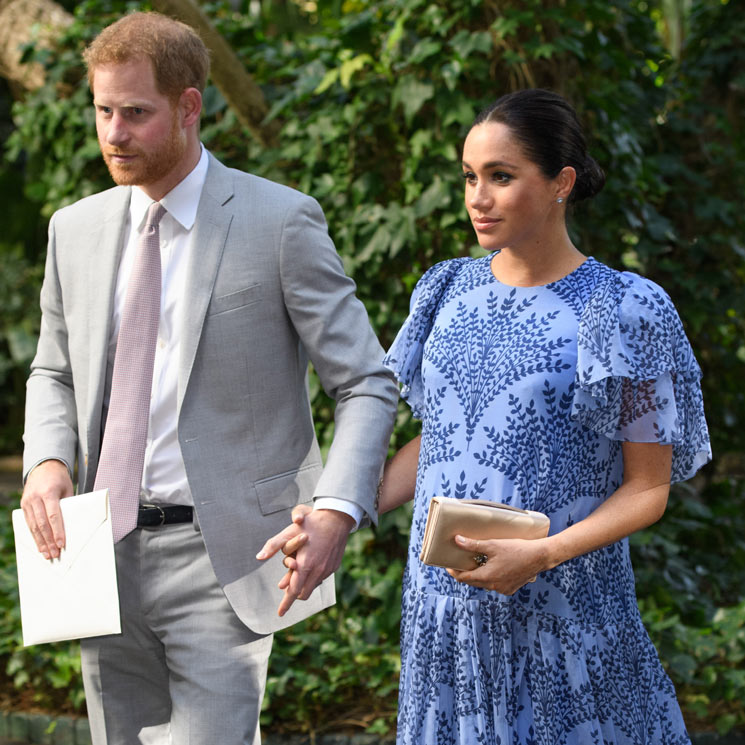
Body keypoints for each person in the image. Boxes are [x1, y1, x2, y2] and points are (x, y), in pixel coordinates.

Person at [263, 88, 711, 744]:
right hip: (445, 621)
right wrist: (341, 511)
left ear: (560, 183)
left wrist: (542, 553)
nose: (477, 196)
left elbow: (647, 488)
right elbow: (438, 441)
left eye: (500, 176)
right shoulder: (446, 290)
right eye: (469, 176)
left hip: (564, 617)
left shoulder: (625, 309)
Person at [20, 11, 397, 745]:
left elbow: (366, 382)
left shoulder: (279, 221)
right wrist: (48, 460)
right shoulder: (76, 227)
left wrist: (335, 508)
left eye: (135, 113)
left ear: (189, 107)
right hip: (100, 554)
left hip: (223, 559)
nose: (113, 133)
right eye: (103, 110)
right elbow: (53, 368)